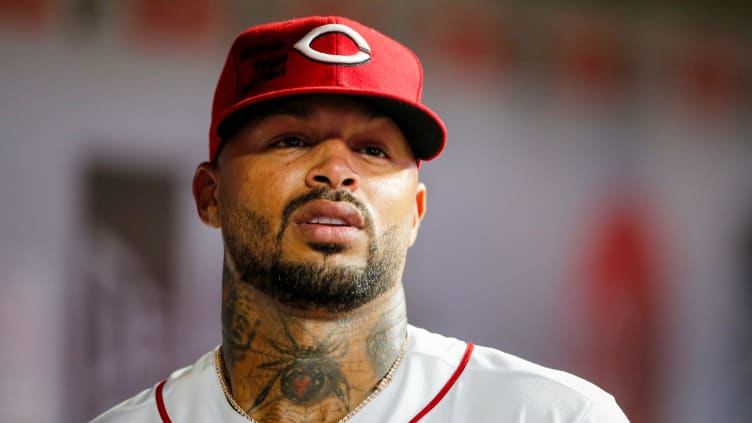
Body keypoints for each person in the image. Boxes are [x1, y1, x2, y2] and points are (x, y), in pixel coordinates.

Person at [90, 16, 629, 422]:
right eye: (292, 140)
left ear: (416, 212)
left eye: (373, 150)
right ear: (210, 196)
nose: (335, 171)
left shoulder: (551, 415)